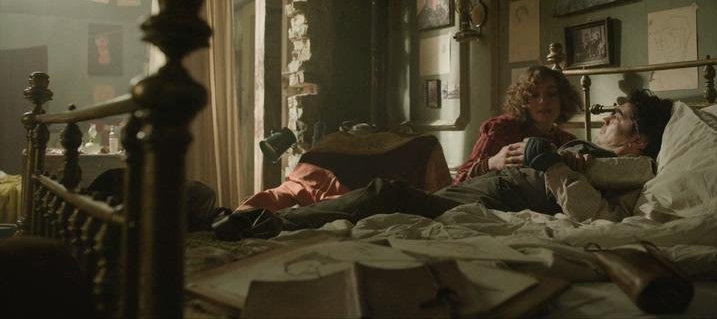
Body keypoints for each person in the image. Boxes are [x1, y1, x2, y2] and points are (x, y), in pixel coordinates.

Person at [214, 90, 673, 240]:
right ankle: (257, 217)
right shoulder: (578, 145)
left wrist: (551, 164)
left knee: (385, 195)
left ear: (639, 139)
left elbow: (600, 217)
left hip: (493, 204)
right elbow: (475, 167)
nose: (607, 118)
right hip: (481, 186)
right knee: (378, 197)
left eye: (619, 116)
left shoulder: (633, 171)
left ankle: (262, 223)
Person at [454, 65, 580, 184]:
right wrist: (491, 163)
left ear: (563, 99)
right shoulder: (502, 129)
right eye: (534, 95)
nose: (543, 101)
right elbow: (459, 182)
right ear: (523, 100)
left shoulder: (567, 141)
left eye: (551, 94)